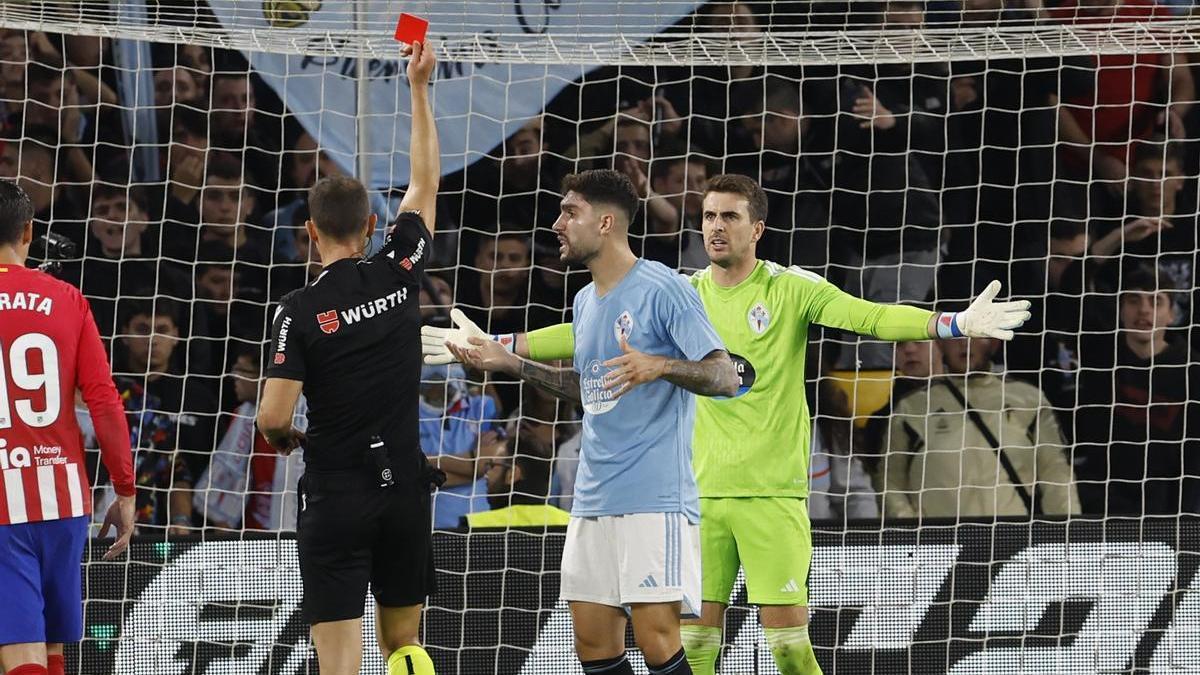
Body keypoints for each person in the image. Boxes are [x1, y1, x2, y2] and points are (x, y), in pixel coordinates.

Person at [426, 174, 1031, 675]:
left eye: (730, 217)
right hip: (696, 491)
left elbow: (868, 316)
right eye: (709, 216)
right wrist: (496, 342)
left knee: (790, 648)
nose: (715, 227)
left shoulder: (792, 290)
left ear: (757, 229)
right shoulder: (681, 291)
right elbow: (581, 339)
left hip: (770, 491)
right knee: (693, 645)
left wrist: (950, 325)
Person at [445, 168, 739, 675]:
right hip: (594, 495)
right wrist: (510, 362)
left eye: (569, 212)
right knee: (592, 642)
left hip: (653, 496)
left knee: (657, 638)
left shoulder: (664, 287)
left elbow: (725, 375)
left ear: (605, 223)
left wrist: (661, 365)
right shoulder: (585, 301)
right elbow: (588, 388)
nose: (558, 224)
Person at [255, 40, 441, 675]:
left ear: (309, 232)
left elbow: (273, 418)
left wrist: (286, 437)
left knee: (340, 663)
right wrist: (418, 88)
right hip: (404, 492)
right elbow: (424, 184)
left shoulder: (297, 311)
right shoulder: (398, 272)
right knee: (405, 652)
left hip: (337, 495)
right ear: (370, 228)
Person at [0, 180, 135, 675]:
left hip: (2, 503)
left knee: (20, 651)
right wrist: (124, 487)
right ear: (29, 232)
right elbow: (102, 399)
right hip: (62, 496)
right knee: (53, 649)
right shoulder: (67, 299)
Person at [882, 328, 1080, 519]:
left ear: (994, 343)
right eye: (955, 335)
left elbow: (1056, 473)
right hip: (940, 544)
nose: (964, 343)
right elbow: (890, 481)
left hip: (1014, 539)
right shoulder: (912, 407)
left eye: (975, 334)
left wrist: (1066, 536)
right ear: (940, 343)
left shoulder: (1028, 400)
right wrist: (911, 533)